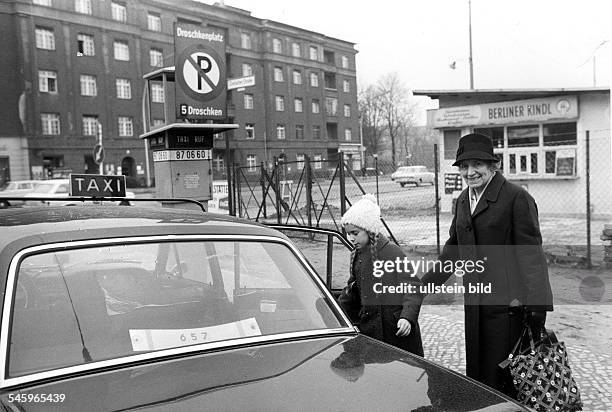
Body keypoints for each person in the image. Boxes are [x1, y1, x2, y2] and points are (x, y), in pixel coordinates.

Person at [421, 133, 553, 397]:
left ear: (493, 166)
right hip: (476, 304)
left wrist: (538, 306)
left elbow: (532, 256)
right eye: (464, 166)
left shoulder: (515, 198)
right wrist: (421, 286)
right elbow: (452, 252)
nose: (470, 172)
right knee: (478, 373)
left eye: (477, 165)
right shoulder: (462, 201)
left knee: (505, 376)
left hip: (509, 310)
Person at [338, 194, 424, 356]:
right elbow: (353, 290)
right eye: (348, 233)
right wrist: (335, 312)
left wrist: (407, 317)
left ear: (369, 229)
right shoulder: (356, 255)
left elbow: (413, 287)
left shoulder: (392, 252)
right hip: (370, 331)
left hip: (395, 331)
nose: (350, 238)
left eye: (355, 233)